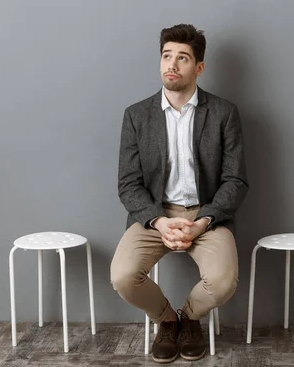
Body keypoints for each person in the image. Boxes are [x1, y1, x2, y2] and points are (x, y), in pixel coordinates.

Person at [111, 24, 249, 363]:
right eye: (166, 56)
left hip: (207, 214)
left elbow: (236, 181)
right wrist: (158, 221)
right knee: (123, 277)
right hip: (155, 215)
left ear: (198, 68)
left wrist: (202, 222)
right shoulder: (137, 115)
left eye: (182, 58)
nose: (171, 64)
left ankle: (189, 318)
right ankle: (167, 321)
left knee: (223, 281)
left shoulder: (223, 113)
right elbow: (128, 183)